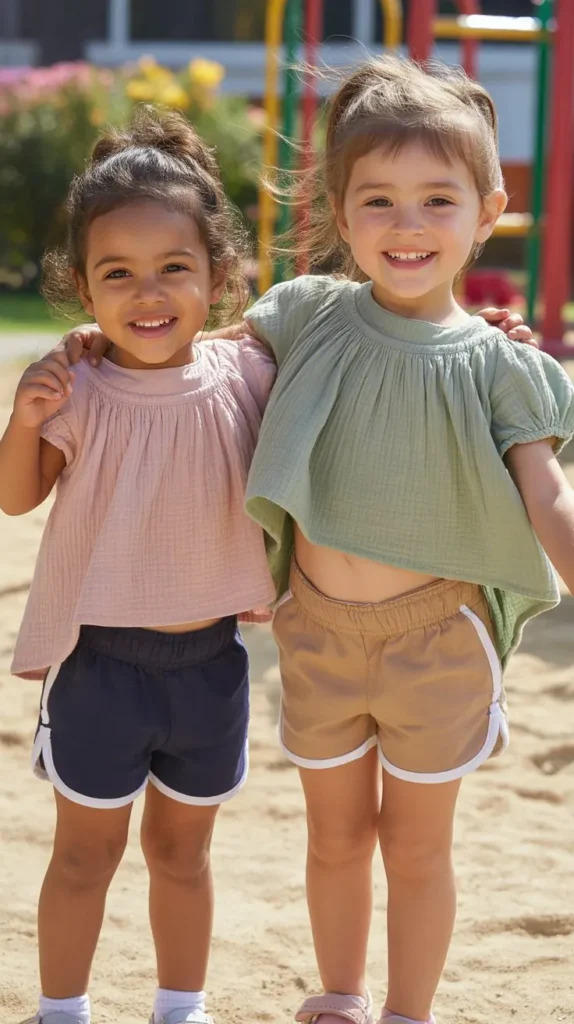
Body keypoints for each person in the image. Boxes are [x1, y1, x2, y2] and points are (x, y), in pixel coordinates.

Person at [59, 59, 560, 1024]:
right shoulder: (306, 314)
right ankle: (340, 995)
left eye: (438, 200)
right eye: (378, 200)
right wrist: (100, 344)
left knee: (416, 847)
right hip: (318, 635)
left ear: (488, 212)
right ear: (340, 210)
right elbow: (188, 354)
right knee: (334, 840)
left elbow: (547, 495)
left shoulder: (503, 363)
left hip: (437, 640)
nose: (407, 224)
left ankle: (408, 1011)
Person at [0, 108, 276, 1024]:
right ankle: (62, 1010)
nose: (147, 292)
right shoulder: (76, 387)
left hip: (212, 666)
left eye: (174, 269)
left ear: (219, 278)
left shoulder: (248, 376)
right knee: (84, 856)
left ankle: (180, 1006)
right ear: (83, 286)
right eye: (117, 272)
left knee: (183, 856)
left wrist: (495, 335)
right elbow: (15, 496)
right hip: (101, 667)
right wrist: (25, 419)